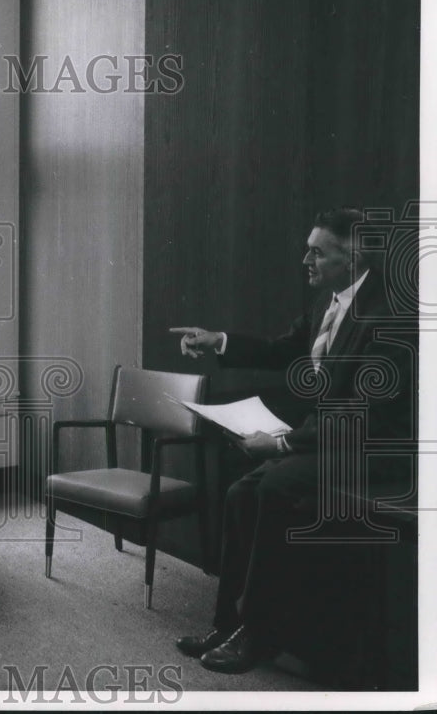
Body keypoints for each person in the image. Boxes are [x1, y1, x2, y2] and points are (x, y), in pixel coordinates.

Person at [169, 207, 412, 674]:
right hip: (332, 438)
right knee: (242, 490)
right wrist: (216, 340)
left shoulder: (387, 316)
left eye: (318, 252)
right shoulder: (332, 300)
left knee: (274, 487)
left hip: (373, 450)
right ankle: (229, 624)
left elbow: (364, 414)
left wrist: (282, 445)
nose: (306, 260)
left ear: (354, 255)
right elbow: (282, 348)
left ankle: (259, 634)